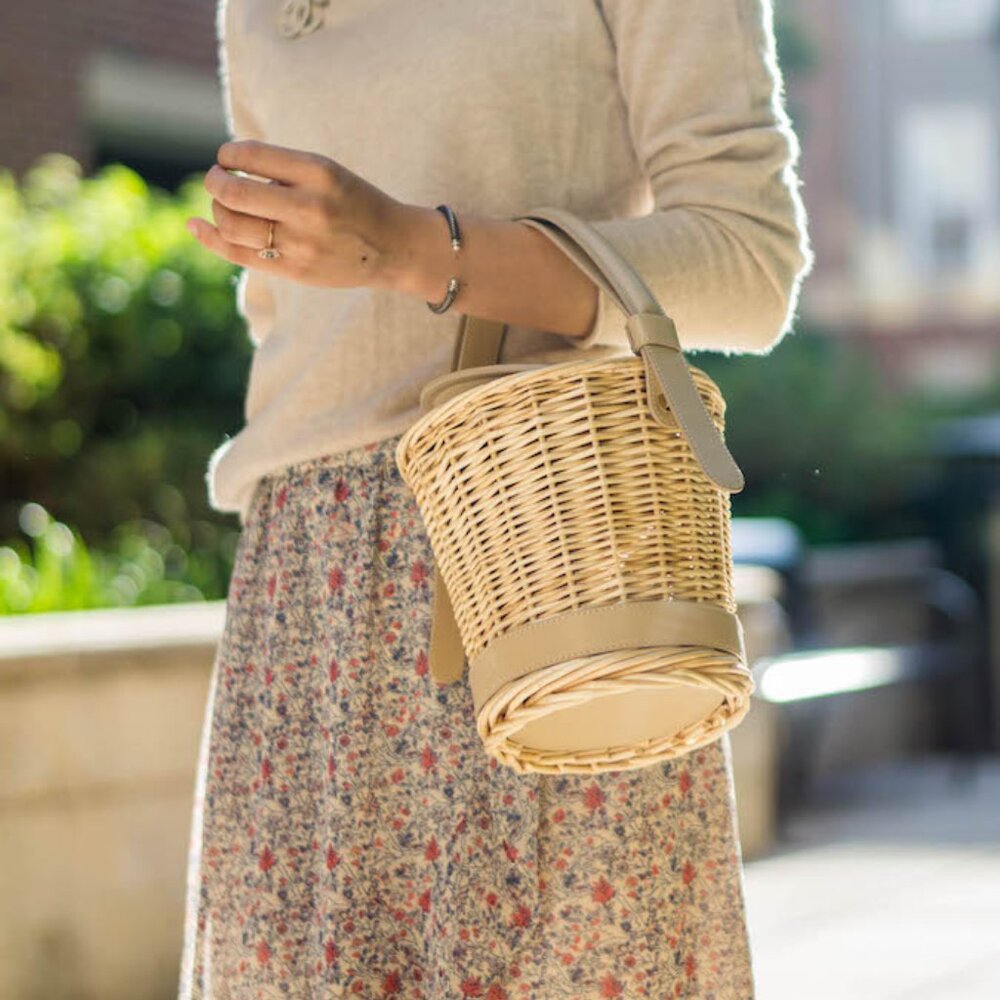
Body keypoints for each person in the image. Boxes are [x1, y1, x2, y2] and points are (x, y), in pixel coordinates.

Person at [178, 1, 813, 997]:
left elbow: (751, 262)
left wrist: (412, 247)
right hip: (309, 596)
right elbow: (286, 317)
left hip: (544, 561)